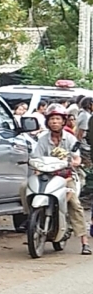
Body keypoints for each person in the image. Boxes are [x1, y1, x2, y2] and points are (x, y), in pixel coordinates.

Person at [19, 103, 90, 255]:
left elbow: (76, 157)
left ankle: (84, 241)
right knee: (24, 187)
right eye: (52, 119)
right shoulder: (42, 139)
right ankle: (30, 217)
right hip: (45, 176)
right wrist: (36, 168)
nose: (55, 122)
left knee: (74, 204)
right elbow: (36, 157)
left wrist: (74, 162)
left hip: (65, 177)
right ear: (47, 122)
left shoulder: (70, 139)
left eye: (58, 119)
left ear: (63, 121)